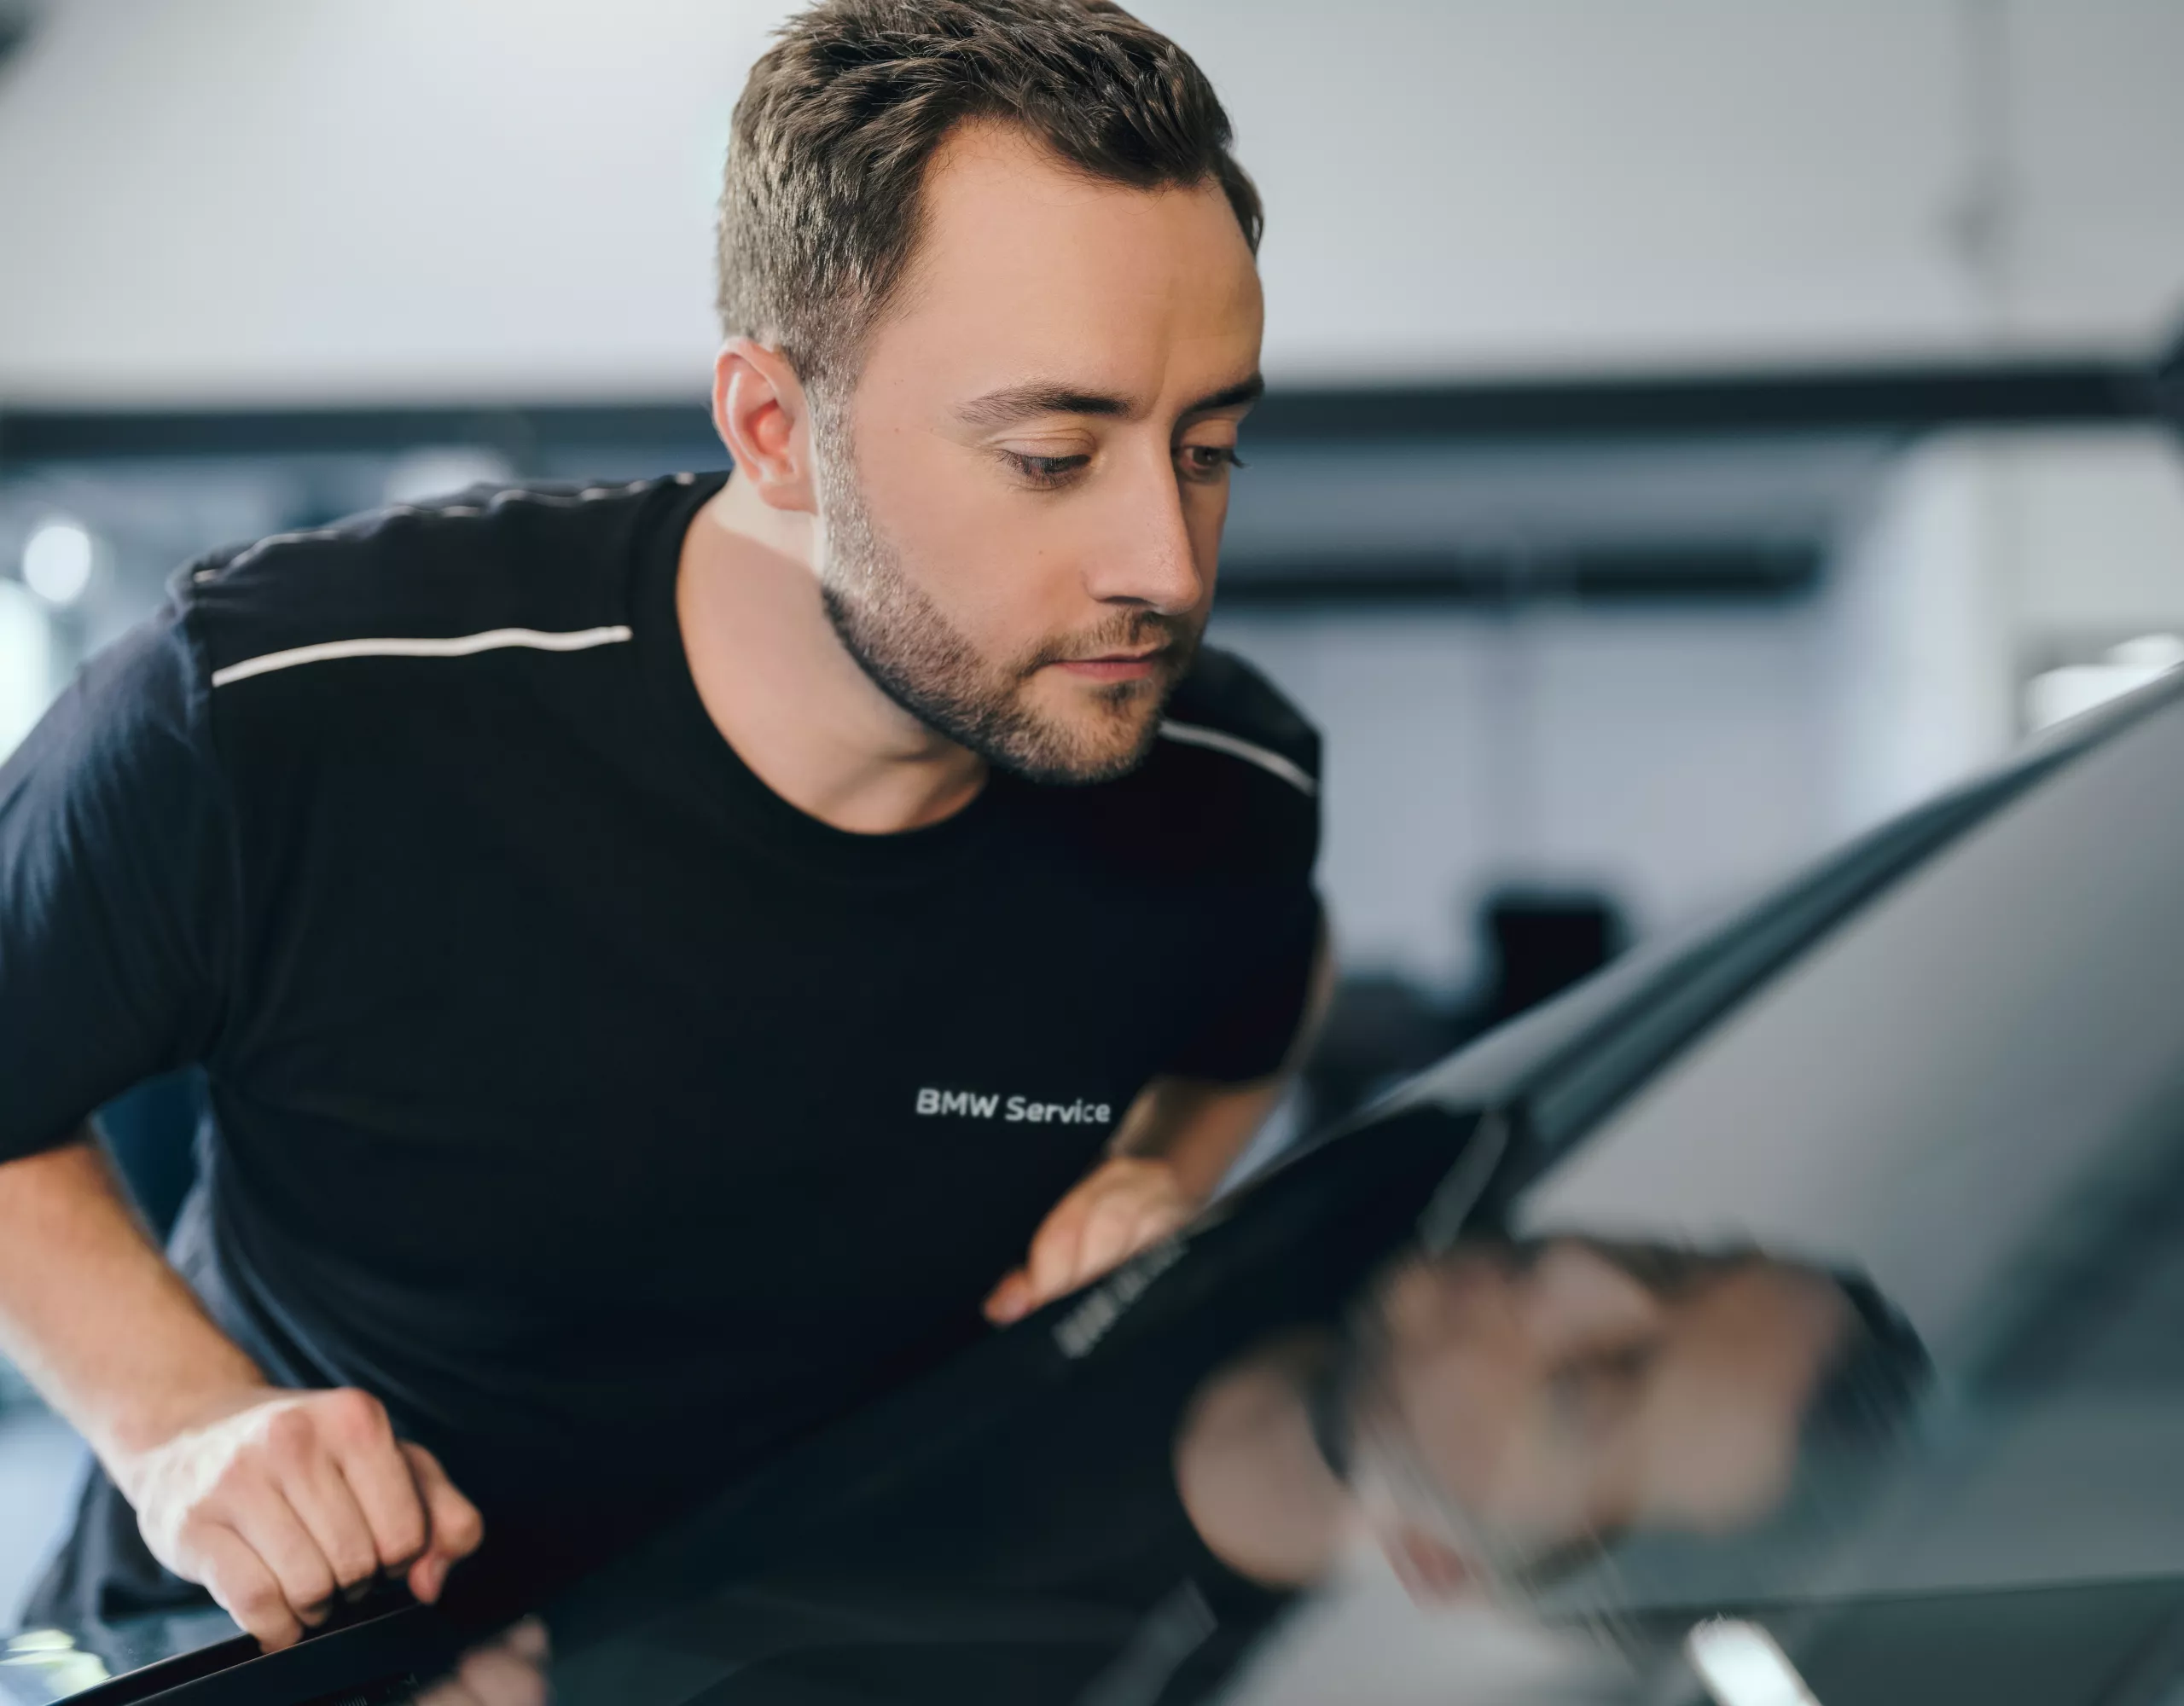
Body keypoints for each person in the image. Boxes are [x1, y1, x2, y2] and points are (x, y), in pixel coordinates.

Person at [0, 0, 1327, 1653]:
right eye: (1054, 456)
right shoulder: (289, 711)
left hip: (811, 1659)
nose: (1168, 567)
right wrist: (178, 1418)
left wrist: (1143, 1170)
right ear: (774, 428)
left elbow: (1266, 994)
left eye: (1210, 448)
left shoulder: (1219, 785)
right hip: (288, 1653)